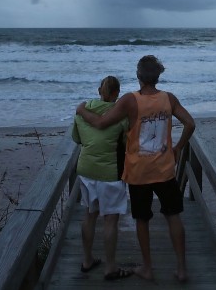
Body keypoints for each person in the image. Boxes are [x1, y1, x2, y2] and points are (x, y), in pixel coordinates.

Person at [76, 55, 196, 282]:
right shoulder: (168, 99)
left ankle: (147, 267)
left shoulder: (130, 101)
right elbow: (190, 123)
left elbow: (102, 123)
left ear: (138, 76)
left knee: (142, 219)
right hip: (165, 170)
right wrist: (178, 148)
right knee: (173, 216)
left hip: (139, 172)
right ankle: (181, 269)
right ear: (158, 76)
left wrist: (81, 110)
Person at [71, 75, 134, 281]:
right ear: (116, 93)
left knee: (90, 214)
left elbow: (76, 138)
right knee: (110, 220)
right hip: (111, 173)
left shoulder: (82, 113)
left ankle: (87, 260)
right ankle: (110, 267)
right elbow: (126, 143)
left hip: (87, 170)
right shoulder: (121, 117)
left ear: (100, 91)